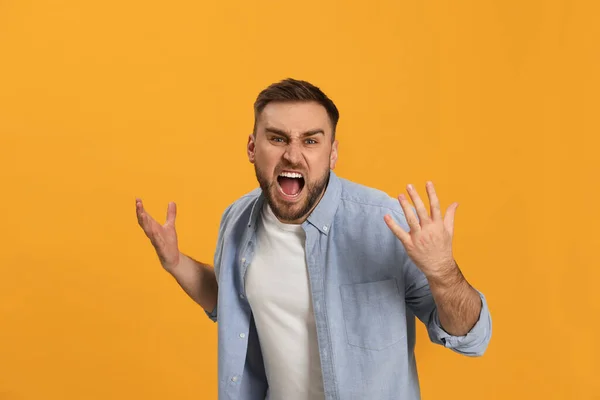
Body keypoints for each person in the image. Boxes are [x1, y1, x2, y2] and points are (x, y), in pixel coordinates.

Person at [135, 78, 492, 400]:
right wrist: (176, 262)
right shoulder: (237, 220)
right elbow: (232, 301)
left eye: (310, 140)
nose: (292, 154)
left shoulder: (383, 222)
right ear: (251, 147)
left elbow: (472, 339)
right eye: (277, 138)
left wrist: (443, 271)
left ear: (332, 152)